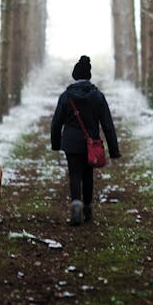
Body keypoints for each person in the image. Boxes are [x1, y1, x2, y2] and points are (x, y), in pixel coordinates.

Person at [50, 55, 121, 225]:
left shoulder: (66, 96)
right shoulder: (97, 96)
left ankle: (76, 206)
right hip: (91, 143)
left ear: (75, 76)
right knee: (88, 174)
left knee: (74, 174)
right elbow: (107, 124)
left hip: (71, 143)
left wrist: (56, 143)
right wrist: (113, 149)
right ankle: (88, 208)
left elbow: (56, 122)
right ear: (88, 76)